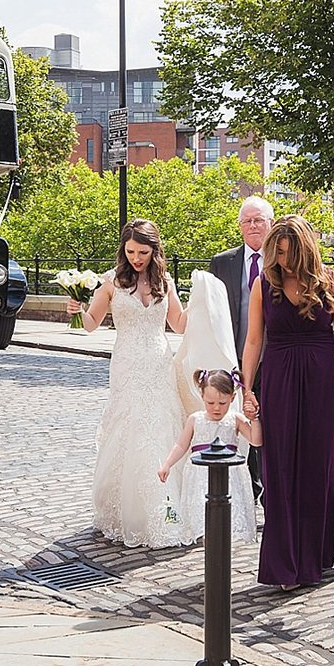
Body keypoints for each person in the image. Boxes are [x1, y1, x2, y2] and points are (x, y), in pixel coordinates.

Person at [242, 215, 334, 590]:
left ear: (303, 249)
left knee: (320, 468)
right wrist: (247, 389)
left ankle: (316, 556)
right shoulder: (263, 284)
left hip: (323, 381)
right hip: (280, 379)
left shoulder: (331, 281)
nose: (280, 260)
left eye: (285, 252)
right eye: (275, 252)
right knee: (281, 469)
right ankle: (285, 564)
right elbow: (254, 342)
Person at [67, 219, 191, 547]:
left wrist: (202, 305)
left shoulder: (165, 281)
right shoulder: (110, 282)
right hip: (126, 366)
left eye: (144, 252)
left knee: (162, 430)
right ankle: (128, 512)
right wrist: (77, 309)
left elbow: (179, 324)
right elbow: (91, 324)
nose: (136, 257)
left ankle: (166, 511)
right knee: (128, 430)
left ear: (155, 250)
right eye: (131, 251)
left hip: (159, 365)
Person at [209, 196, 273, 497]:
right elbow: (209, 312)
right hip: (233, 358)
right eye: (247, 221)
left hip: (274, 358)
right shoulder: (222, 263)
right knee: (238, 423)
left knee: (268, 424)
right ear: (239, 226)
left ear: (270, 224)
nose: (252, 226)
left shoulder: (282, 259)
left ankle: (270, 488)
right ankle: (249, 489)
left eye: (258, 220)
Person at [158, 369, 260, 545]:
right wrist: (167, 464)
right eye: (210, 402)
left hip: (229, 475)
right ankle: (209, 543)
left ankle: (221, 545)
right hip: (200, 475)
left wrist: (255, 420)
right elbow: (181, 445)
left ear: (232, 398)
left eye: (222, 402)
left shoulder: (235, 419)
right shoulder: (195, 419)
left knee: (227, 511)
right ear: (202, 396)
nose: (216, 408)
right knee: (203, 511)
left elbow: (256, 441)